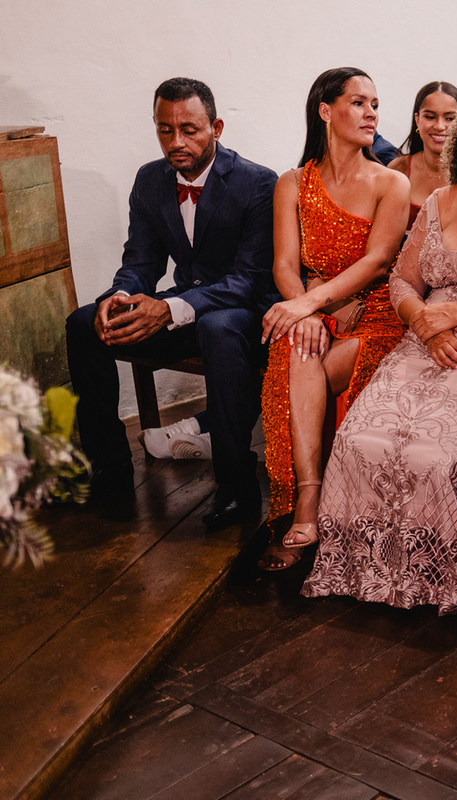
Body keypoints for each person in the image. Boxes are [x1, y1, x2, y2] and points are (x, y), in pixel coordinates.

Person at [302, 73, 457, 612]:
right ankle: (367, 566)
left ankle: (441, 570)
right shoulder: (438, 201)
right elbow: (401, 280)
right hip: (424, 340)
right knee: (358, 438)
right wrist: (421, 321)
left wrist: (450, 315)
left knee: (435, 452)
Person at [65, 78, 276, 526]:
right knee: (84, 324)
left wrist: (170, 308)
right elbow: (140, 261)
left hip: (241, 315)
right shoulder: (150, 179)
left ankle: (237, 488)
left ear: (215, 127)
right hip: (184, 312)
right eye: (165, 129)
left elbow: (250, 279)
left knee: (218, 328)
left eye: (189, 129)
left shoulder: (257, 183)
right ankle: (111, 473)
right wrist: (121, 296)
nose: (176, 142)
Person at [256, 67, 410, 570]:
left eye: (375, 104)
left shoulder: (392, 182)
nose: (372, 113)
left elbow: (378, 261)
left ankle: (308, 504)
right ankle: (308, 496)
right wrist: (305, 306)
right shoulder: (291, 184)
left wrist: (307, 305)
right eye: (359, 102)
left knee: (300, 350)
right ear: (326, 110)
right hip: (317, 307)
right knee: (298, 344)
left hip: (378, 316)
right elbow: (284, 264)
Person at [389, 81, 457, 229]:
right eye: (430, 117)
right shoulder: (399, 169)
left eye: (450, 118)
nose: (439, 126)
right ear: (417, 120)